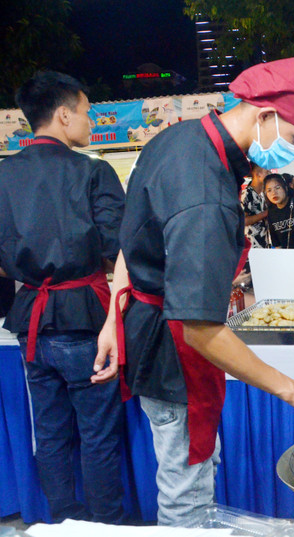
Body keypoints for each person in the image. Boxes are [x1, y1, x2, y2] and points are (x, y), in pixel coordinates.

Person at [98, 58, 294, 525]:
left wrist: (114, 320)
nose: (292, 156)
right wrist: (292, 390)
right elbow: (199, 329)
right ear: (264, 115)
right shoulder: (205, 194)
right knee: (187, 491)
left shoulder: (178, 138)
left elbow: (134, 240)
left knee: (190, 470)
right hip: (173, 351)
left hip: (146, 327)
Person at [0, 71, 126, 523]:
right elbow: (118, 253)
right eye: (87, 111)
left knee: (50, 434)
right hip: (81, 320)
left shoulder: (3, 174)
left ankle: (62, 525)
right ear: (63, 114)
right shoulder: (92, 171)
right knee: (97, 435)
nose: (90, 121)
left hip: (29, 321)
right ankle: (104, 526)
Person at [263, 173, 294, 249]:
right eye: (269, 190)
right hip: (287, 257)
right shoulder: (271, 213)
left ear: (285, 188)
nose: (274, 193)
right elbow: (277, 243)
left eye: (277, 188)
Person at [241, 165, 270, 248]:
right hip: (251, 244)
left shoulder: (263, 194)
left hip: (264, 243)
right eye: (267, 172)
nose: (270, 174)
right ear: (258, 174)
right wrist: (264, 214)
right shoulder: (247, 193)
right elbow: (243, 221)